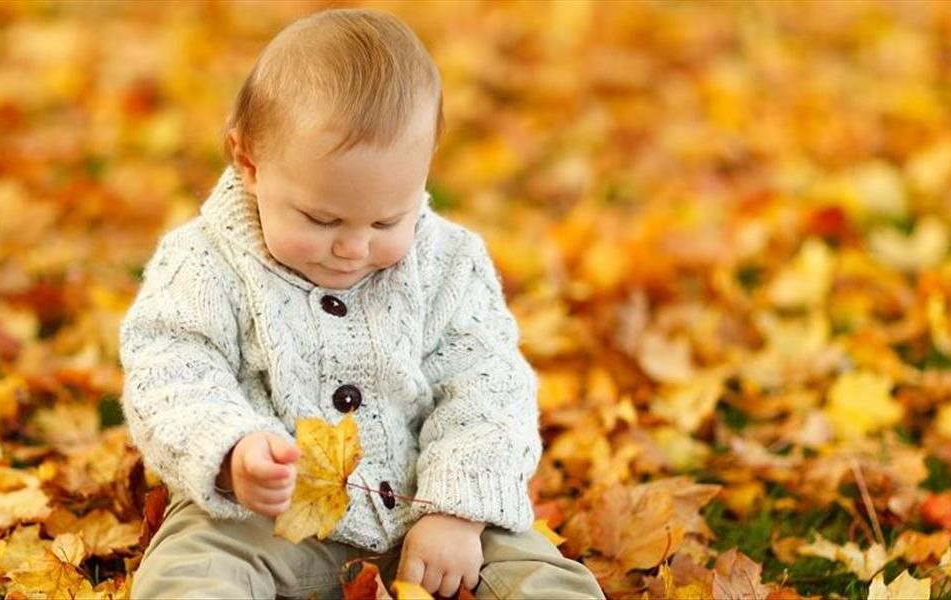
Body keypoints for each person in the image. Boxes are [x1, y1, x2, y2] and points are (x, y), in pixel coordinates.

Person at [119, 7, 603, 599]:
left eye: (385, 219)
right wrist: (231, 451)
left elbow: (488, 385)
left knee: (535, 571)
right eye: (321, 218)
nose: (352, 247)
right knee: (193, 565)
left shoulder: (448, 263)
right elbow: (168, 368)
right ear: (249, 163)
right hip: (267, 518)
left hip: (419, 504)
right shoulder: (203, 262)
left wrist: (457, 508)